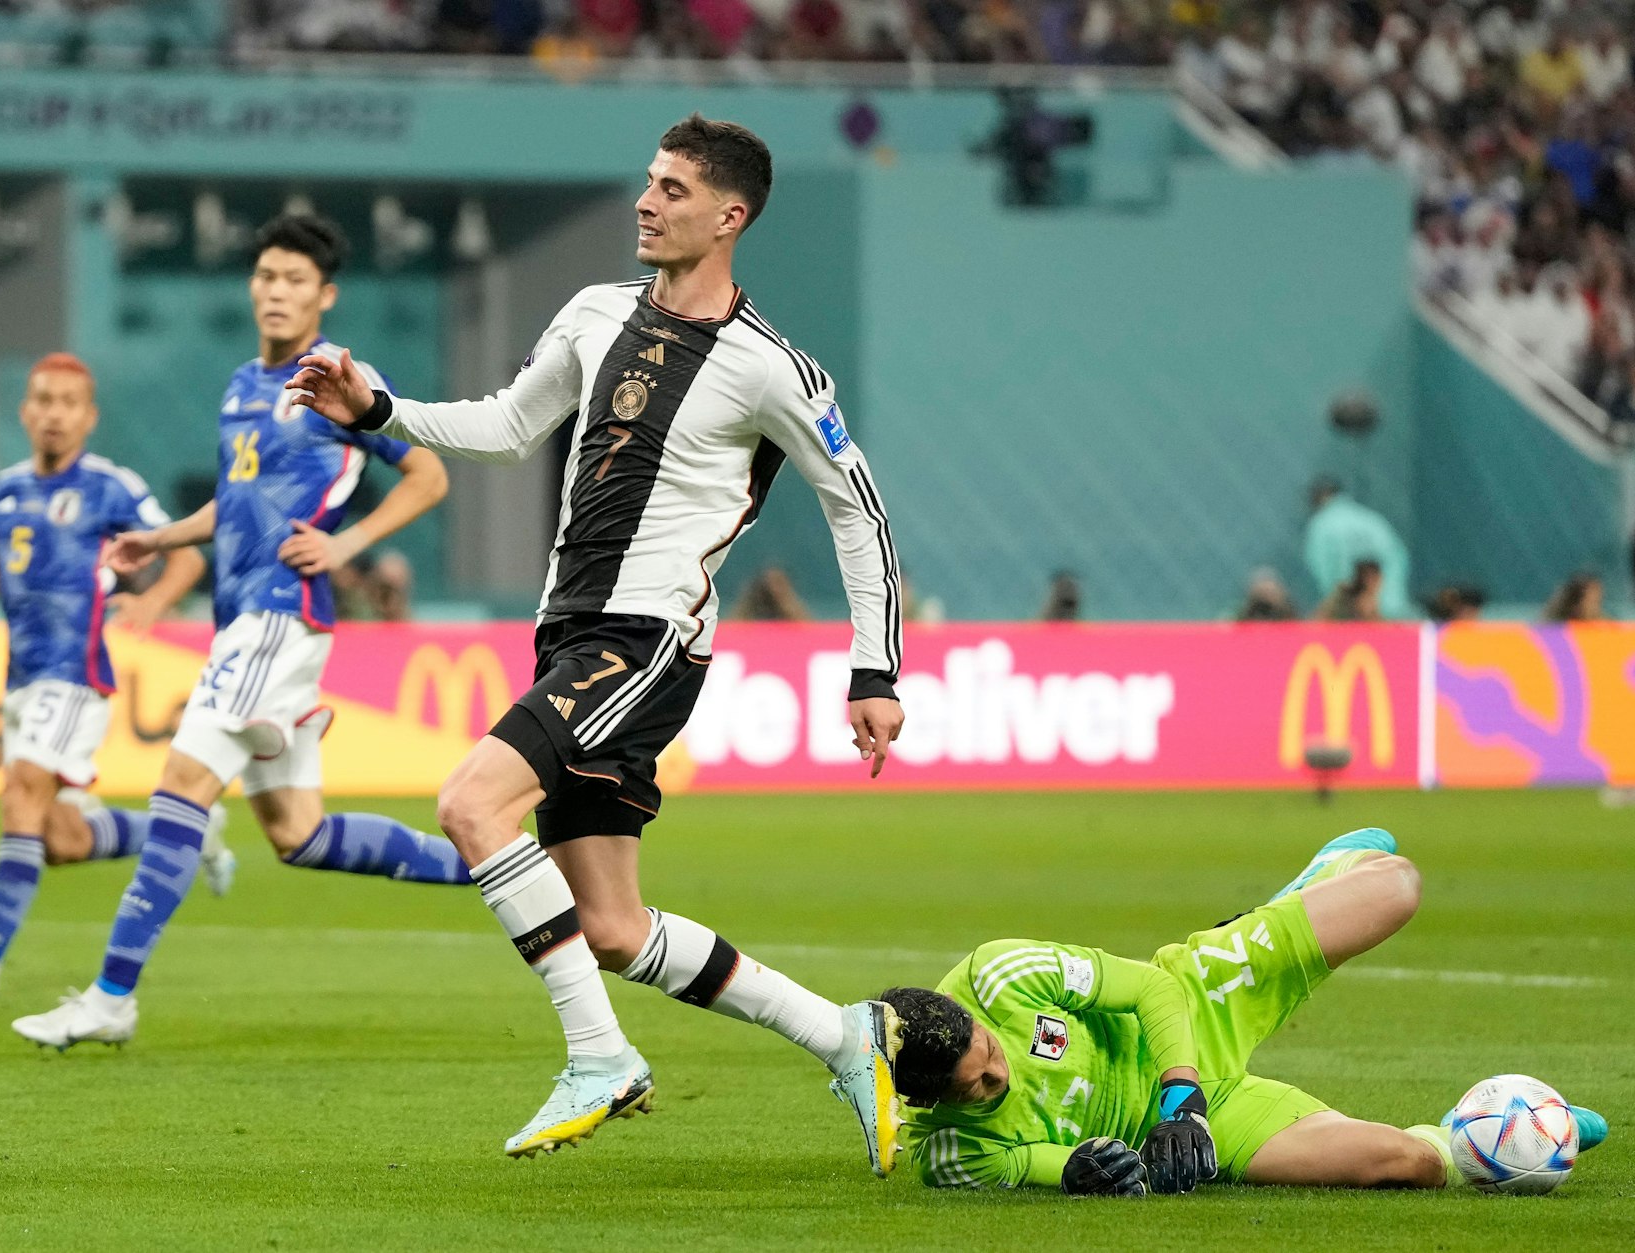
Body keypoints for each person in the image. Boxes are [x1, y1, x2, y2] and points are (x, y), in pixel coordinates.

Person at [289, 115, 909, 1172]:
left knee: (469, 803)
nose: (645, 200)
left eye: (671, 188)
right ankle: (843, 1034)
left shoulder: (774, 370)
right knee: (612, 927)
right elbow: (505, 424)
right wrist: (380, 408)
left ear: (729, 216)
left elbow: (858, 511)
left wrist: (872, 667)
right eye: (647, 181)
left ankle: (598, 1056)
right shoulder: (592, 312)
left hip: (648, 635)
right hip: (569, 629)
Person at [11, 214, 466, 1050]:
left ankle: (112, 994)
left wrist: (348, 541)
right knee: (299, 833)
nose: (276, 290)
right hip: (242, 617)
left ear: (324, 295)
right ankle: (495, 865)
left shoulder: (338, 379)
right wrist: (164, 536)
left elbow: (430, 471)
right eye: (265, 276)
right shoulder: (239, 386)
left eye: (295, 278)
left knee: (183, 782)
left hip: (278, 616)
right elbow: (238, 503)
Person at [883, 830, 1611, 1193]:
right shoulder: (946, 1152)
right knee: (1408, 1163)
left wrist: (1180, 1090)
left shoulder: (1000, 973)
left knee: (1397, 884)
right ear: (930, 1097)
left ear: (967, 1011)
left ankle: (1306, 890)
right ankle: (1516, 1128)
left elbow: (1150, 990)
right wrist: (1086, 1169)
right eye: (976, 1086)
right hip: (1199, 1129)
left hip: (1194, 1006)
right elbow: (1048, 1164)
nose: (997, 1075)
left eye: (989, 1050)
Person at [0, 354, 217, 997]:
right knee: (61, 838)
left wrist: (154, 601)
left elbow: (183, 554)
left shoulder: (111, 486)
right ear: (24, 410)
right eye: (43, 400)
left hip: (74, 677)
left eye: (67, 403)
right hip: (21, 678)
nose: (53, 413)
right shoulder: (8, 487)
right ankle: (194, 830)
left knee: (20, 795)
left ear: (89, 416)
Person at [1303, 477, 1411, 618]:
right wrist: (1391, 599)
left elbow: (1320, 567)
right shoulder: (1371, 519)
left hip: (1347, 613)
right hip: (1390, 608)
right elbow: (1398, 557)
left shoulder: (1321, 525)